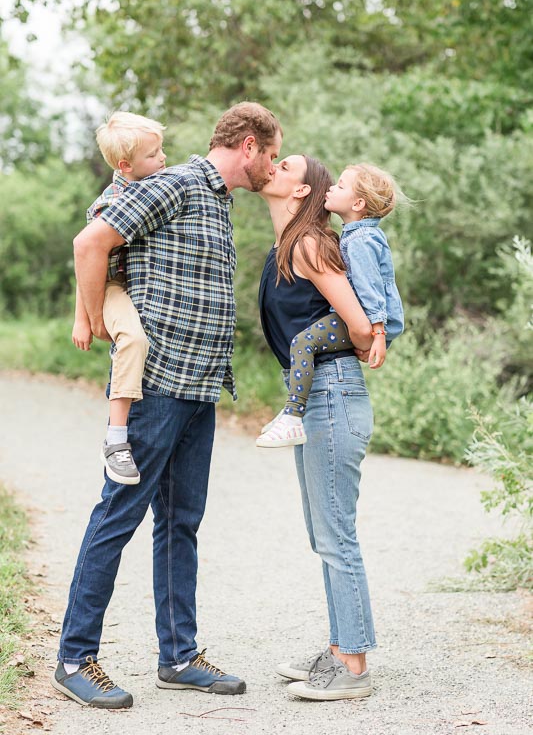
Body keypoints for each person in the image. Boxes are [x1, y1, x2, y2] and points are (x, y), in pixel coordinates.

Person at [52, 102, 282, 709]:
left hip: (200, 388)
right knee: (117, 517)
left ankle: (178, 655)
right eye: (273, 155)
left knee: (181, 523)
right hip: (154, 385)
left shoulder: (219, 202)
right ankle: (75, 658)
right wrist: (97, 318)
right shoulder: (174, 183)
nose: (273, 168)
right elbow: (90, 241)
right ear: (250, 146)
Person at [257, 154, 376, 701]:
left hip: (332, 393)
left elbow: (356, 323)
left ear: (301, 189)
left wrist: (374, 337)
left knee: (335, 535)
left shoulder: (308, 244)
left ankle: (351, 667)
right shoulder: (285, 248)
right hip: (319, 396)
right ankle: (338, 648)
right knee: (322, 532)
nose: (272, 166)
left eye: (284, 164)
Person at [257, 161, 404, 447]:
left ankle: (292, 413)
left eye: (340, 186)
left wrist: (377, 333)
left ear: (359, 202)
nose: (332, 189)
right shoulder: (347, 235)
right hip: (324, 387)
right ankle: (292, 412)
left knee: (303, 342)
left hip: (332, 389)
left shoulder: (359, 240)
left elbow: (372, 290)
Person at [72, 111, 167, 484]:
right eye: (152, 155)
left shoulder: (154, 187)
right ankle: (115, 438)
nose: (162, 158)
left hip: (138, 287)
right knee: (133, 339)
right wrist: (83, 317)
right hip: (112, 286)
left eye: (162, 150)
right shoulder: (112, 202)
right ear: (126, 166)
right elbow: (87, 258)